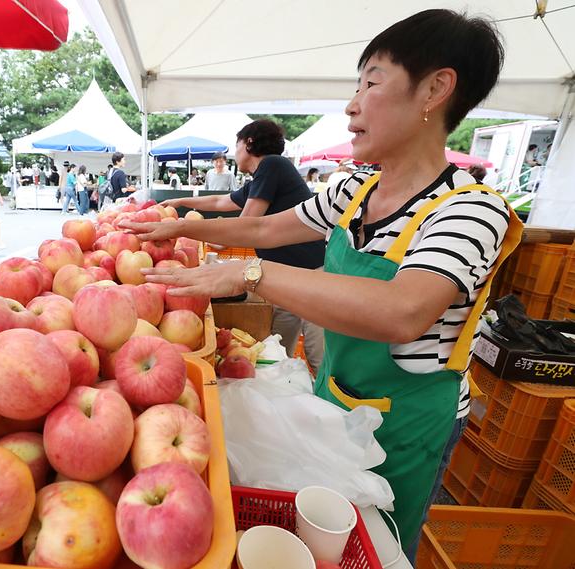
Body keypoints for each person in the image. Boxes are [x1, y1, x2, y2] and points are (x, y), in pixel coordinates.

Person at [120, 10, 521, 561]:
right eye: (356, 85)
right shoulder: (355, 187)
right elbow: (263, 226)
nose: (352, 104)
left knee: (377, 545)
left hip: (408, 424)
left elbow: (404, 310)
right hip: (336, 393)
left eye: (372, 81)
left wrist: (248, 271)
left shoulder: (470, 210)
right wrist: (179, 221)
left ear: (435, 88)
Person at [158, 119, 326, 371]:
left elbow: (247, 224)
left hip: (312, 274)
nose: (234, 153)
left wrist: (193, 230)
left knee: (318, 356)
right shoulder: (263, 177)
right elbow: (220, 202)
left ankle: (331, 405)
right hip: (284, 275)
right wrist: (182, 201)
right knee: (279, 353)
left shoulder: (273, 164)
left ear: (248, 142)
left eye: (235, 145)